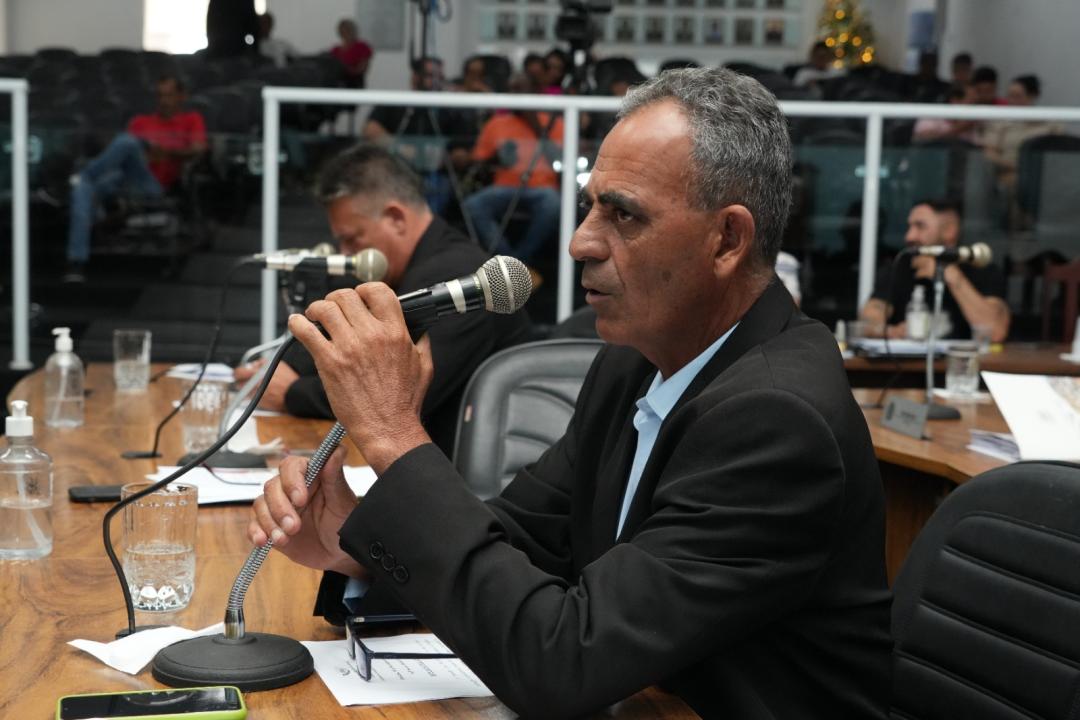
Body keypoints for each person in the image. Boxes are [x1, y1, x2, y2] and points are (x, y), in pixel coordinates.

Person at [249, 67, 892, 718]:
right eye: (590, 206)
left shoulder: (777, 419)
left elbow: (562, 663)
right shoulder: (634, 362)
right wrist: (357, 543)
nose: (581, 241)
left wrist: (394, 437)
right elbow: (525, 542)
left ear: (727, 239)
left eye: (623, 215)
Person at [234, 144, 531, 454]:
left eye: (352, 239)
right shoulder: (403, 269)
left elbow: (394, 395)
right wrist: (279, 370)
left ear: (396, 218)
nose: (346, 254)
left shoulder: (458, 276)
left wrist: (291, 392)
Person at [63, 75, 206, 283]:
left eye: (169, 95)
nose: (163, 101)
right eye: (160, 96)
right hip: (122, 179)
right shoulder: (141, 122)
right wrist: (145, 152)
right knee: (83, 189)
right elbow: (121, 156)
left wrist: (166, 152)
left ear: (181, 97)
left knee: (126, 143)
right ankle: (76, 263)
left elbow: (198, 150)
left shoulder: (191, 119)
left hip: (152, 185)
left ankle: (84, 175)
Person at [861, 199, 1010, 342]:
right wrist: (889, 331)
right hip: (907, 359)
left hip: (963, 358)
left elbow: (996, 332)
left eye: (920, 226)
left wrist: (949, 275)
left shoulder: (982, 271)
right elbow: (869, 318)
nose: (909, 236)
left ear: (949, 231)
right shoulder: (899, 268)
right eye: (909, 227)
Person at [462, 73, 563, 272]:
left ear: (533, 92)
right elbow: (478, 161)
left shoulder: (553, 123)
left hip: (542, 189)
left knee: (553, 204)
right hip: (504, 187)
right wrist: (495, 159)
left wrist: (535, 125)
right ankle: (509, 260)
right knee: (473, 205)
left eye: (520, 89)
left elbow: (560, 160)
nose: (515, 94)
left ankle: (520, 260)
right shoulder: (497, 123)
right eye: (512, 90)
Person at [912, 84, 980, 144]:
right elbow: (921, 141)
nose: (975, 108)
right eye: (971, 102)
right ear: (955, 100)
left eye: (976, 103)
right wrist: (958, 129)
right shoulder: (931, 116)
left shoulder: (977, 121)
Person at [330, 18, 373, 89]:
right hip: (337, 84)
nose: (345, 33)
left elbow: (362, 69)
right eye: (342, 31)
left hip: (354, 83)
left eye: (348, 30)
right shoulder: (335, 50)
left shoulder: (362, 47)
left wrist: (345, 69)